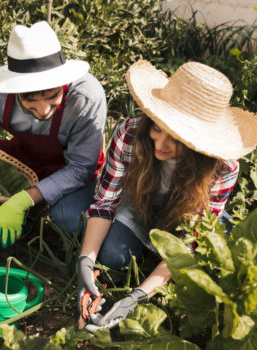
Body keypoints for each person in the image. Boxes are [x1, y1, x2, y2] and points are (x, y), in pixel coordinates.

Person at [77, 60, 257, 332]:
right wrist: (85, 263)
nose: (159, 144)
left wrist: (137, 297)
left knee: (212, 261)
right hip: (139, 206)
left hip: (184, 218)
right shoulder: (130, 134)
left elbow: (190, 240)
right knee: (112, 257)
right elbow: (105, 202)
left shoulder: (223, 167)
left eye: (176, 139)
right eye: (157, 127)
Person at [0, 21, 107, 249]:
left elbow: (82, 167)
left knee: (69, 222)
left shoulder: (86, 98)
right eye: (29, 100)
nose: (43, 110)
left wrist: (26, 198)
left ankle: (36, 211)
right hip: (23, 157)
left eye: (52, 96)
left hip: (70, 168)